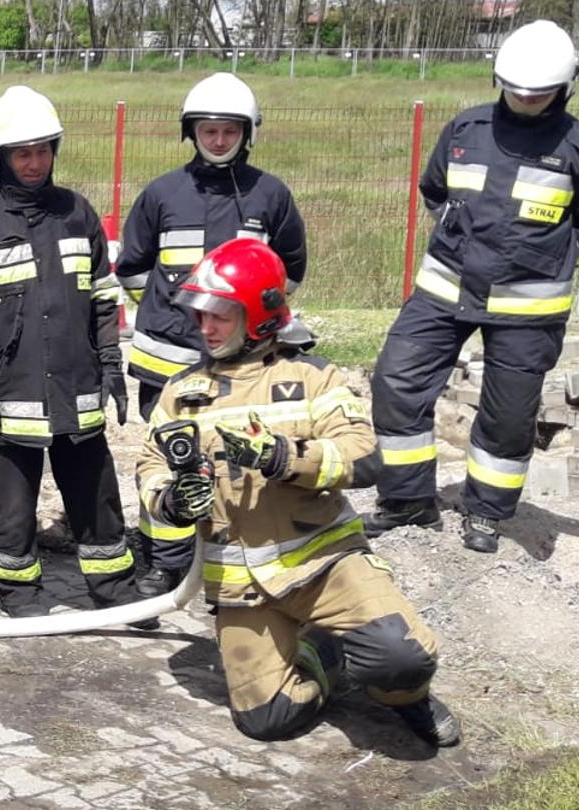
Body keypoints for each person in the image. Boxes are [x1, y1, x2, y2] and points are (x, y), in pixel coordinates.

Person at [137, 238, 459, 747]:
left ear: (259, 316)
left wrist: (285, 458)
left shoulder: (311, 377)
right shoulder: (181, 394)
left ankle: (406, 698)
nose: (206, 327)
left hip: (323, 564)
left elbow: (363, 455)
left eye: (221, 313)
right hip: (240, 584)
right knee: (268, 720)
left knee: (400, 657)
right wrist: (171, 502)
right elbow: (150, 466)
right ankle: (326, 654)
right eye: (200, 313)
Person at [365, 20, 579, 553]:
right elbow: (435, 189)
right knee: (396, 381)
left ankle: (485, 512)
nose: (525, 100)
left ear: (566, 86)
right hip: (444, 290)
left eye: (538, 93)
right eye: (516, 90)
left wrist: (547, 260)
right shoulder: (465, 130)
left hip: (528, 309)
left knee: (507, 416)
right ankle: (408, 498)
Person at [0, 85, 147, 623]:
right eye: (22, 153)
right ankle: (20, 596)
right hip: (8, 396)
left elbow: (102, 299)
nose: (34, 163)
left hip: (76, 389)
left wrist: (111, 366)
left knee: (97, 498)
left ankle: (114, 592)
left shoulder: (78, 213)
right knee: (11, 508)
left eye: (43, 150)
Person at [113, 72, 308, 597]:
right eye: (208, 130)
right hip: (168, 358)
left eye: (228, 130)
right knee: (169, 460)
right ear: (191, 131)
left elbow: (289, 269)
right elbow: (132, 267)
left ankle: (238, 553)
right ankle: (165, 564)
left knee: (243, 456)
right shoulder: (162, 194)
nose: (218, 140)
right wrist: (168, 315)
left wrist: (253, 330)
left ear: (247, 132)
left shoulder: (270, 195)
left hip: (244, 366)